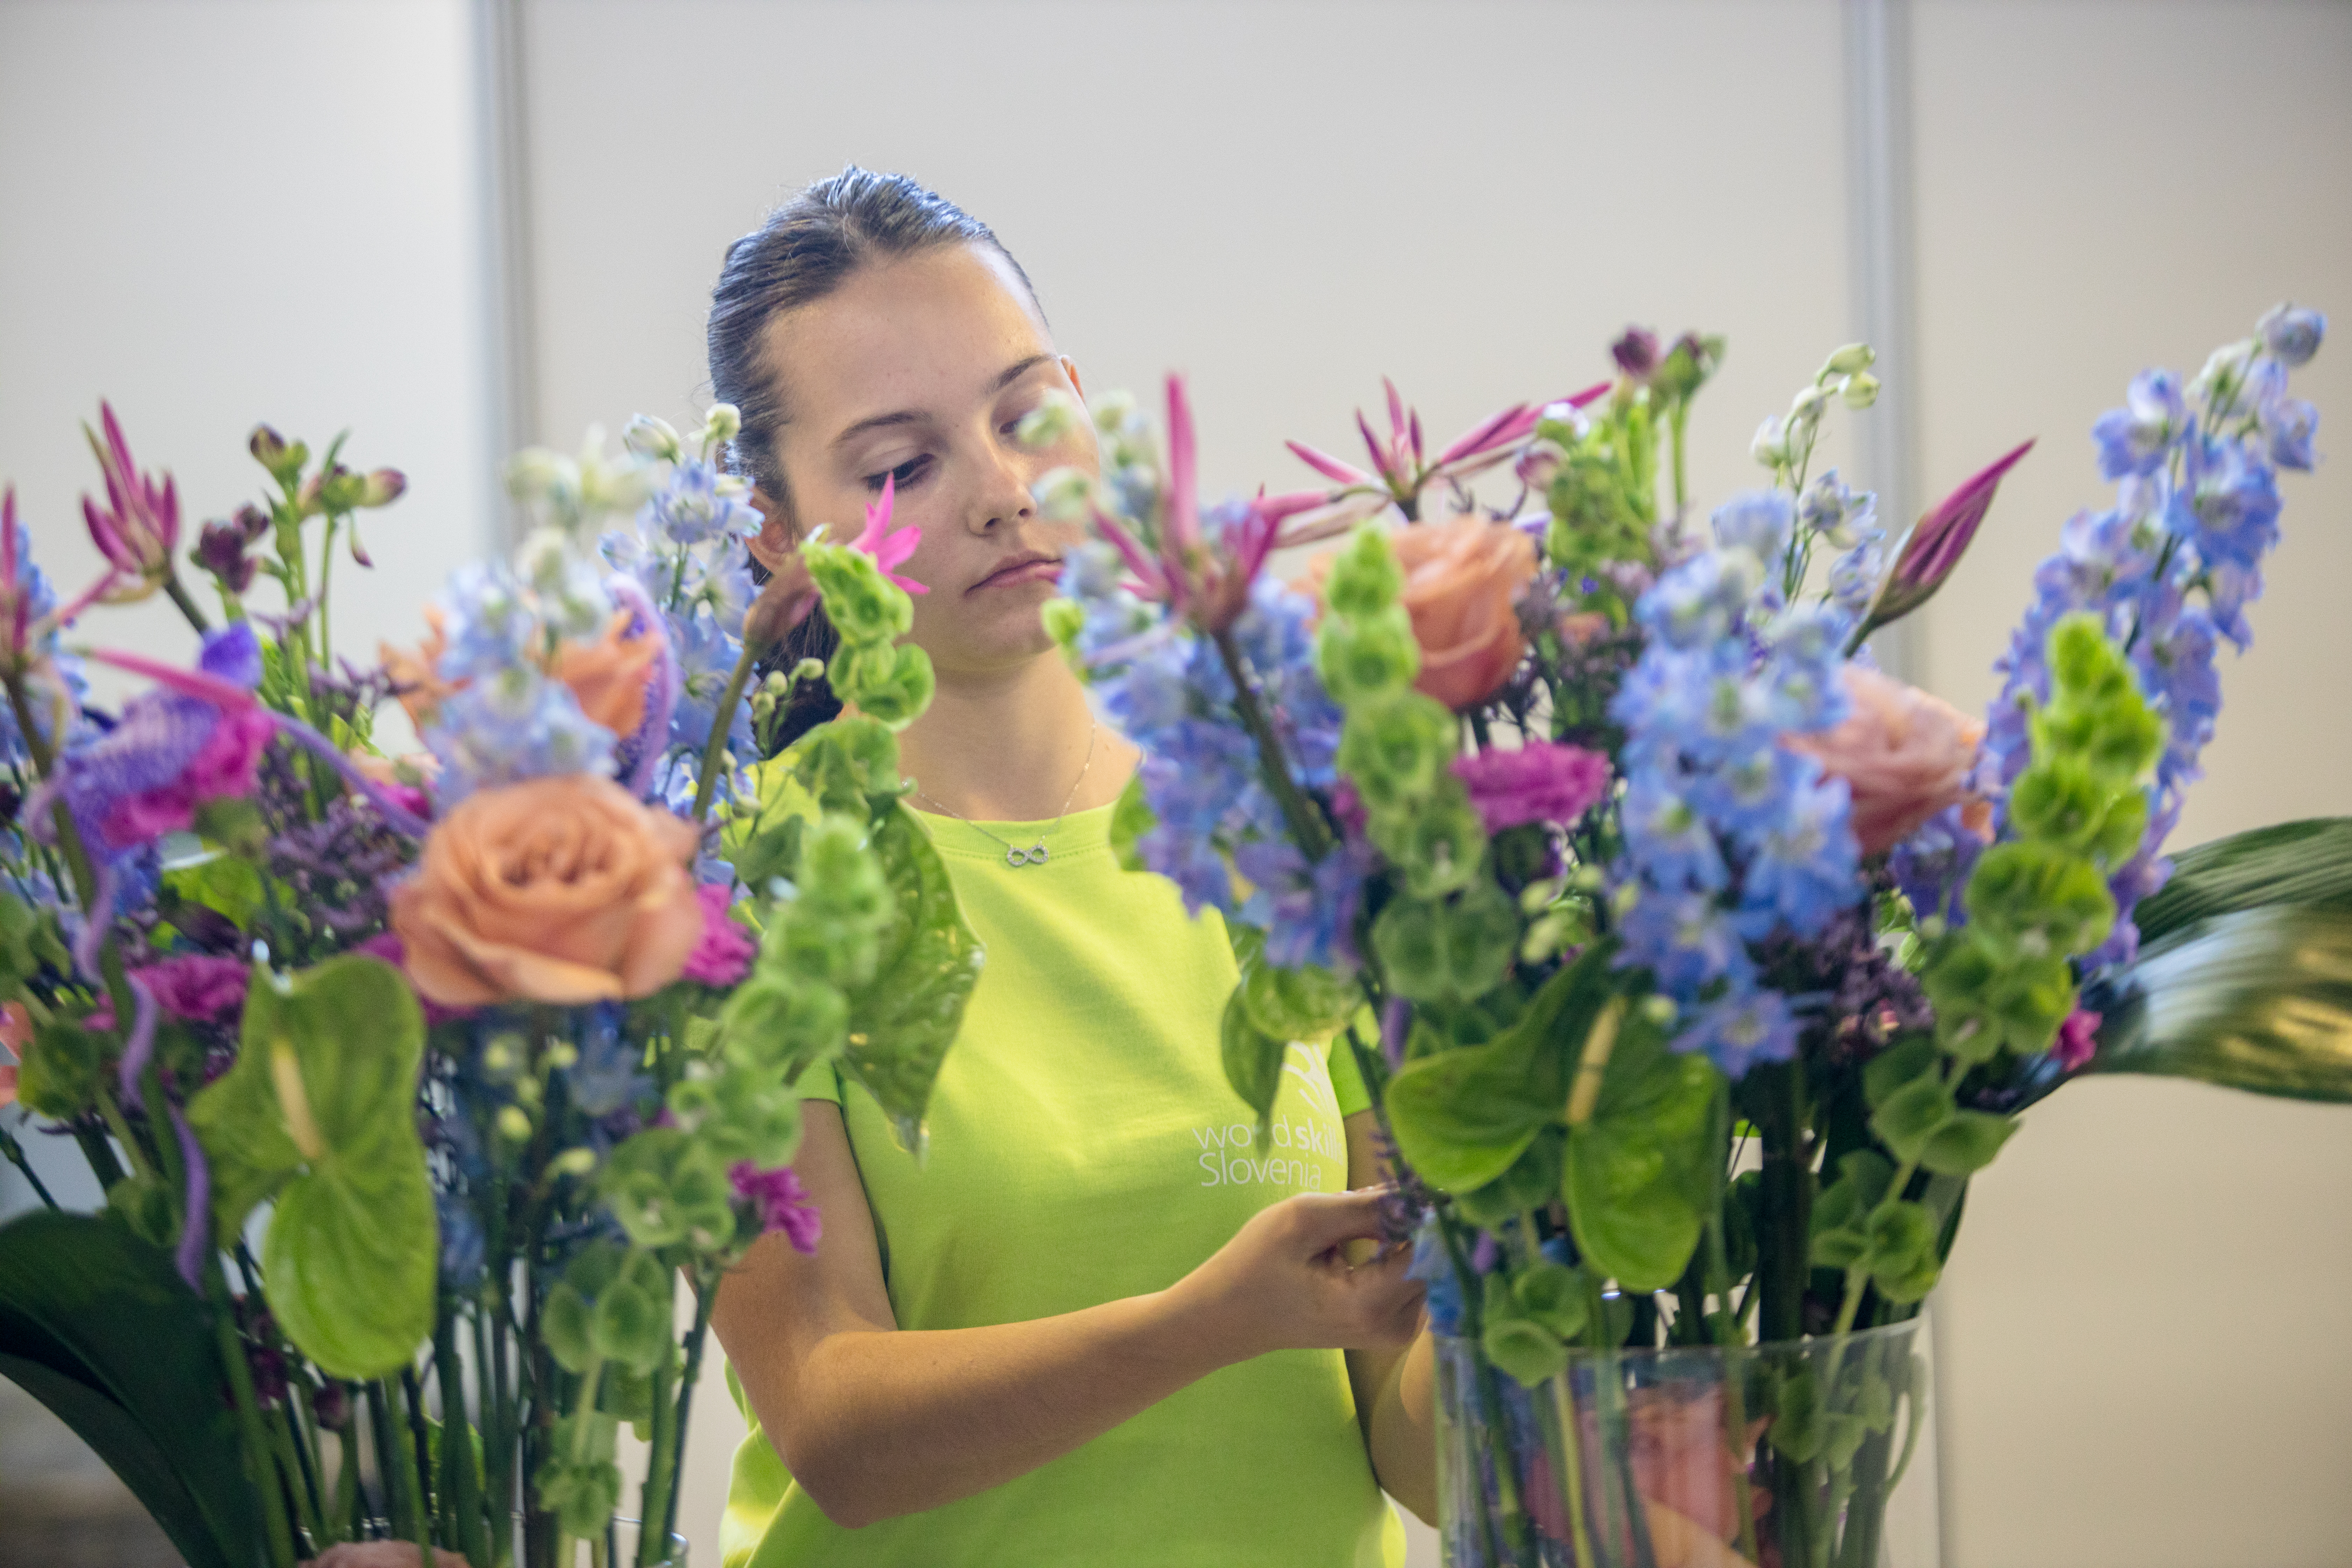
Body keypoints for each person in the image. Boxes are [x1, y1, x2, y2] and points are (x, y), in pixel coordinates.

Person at [706, 167, 1437, 1568]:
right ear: (780, 536)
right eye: (901, 464)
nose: (1003, 491)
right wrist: (1211, 1322)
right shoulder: (753, 885)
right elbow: (833, 1419)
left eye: (1027, 416)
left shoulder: (1279, 809)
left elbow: (1407, 1433)